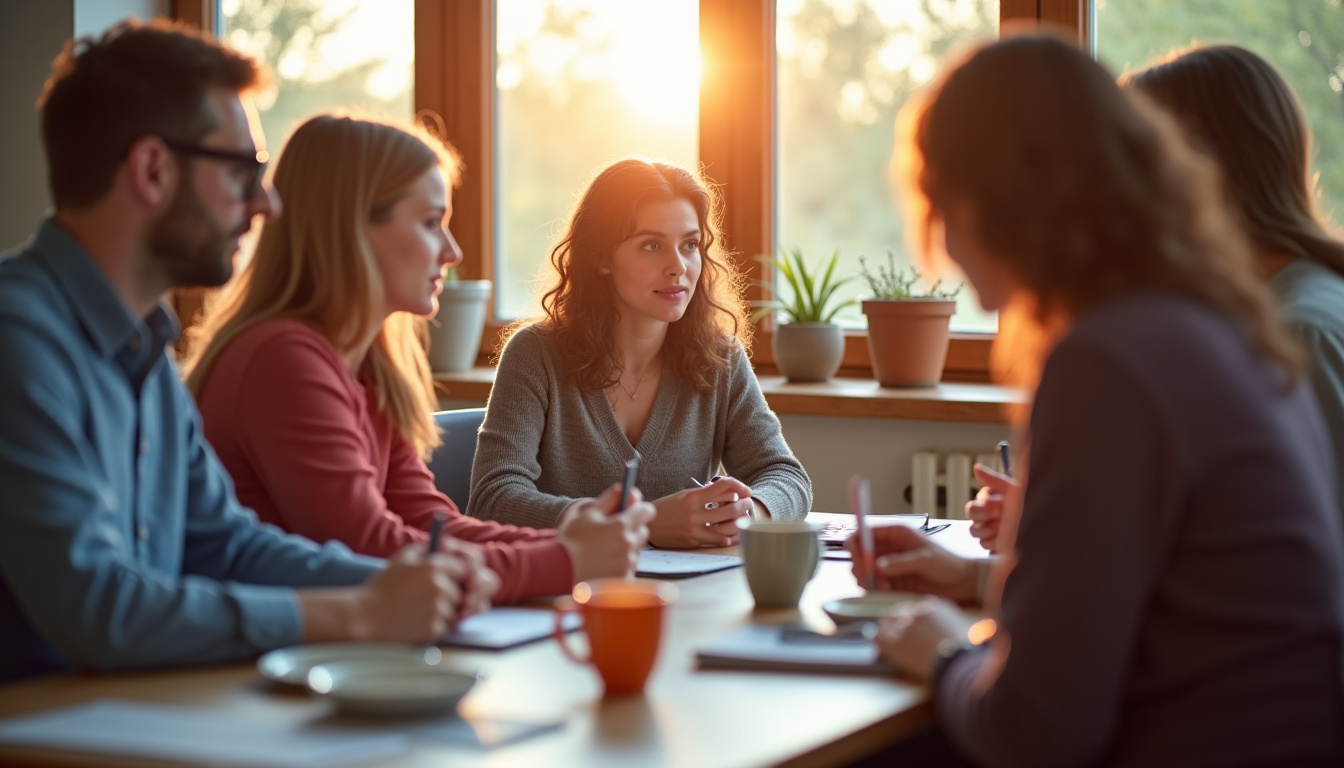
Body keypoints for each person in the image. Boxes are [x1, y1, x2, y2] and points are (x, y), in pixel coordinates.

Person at [850, 29, 1344, 767]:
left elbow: (1036, 730)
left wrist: (946, 653)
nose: (944, 244)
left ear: (991, 199)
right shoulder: (1218, 323)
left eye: (941, 202)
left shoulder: (1108, 358)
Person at [0, 19, 496, 685]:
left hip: (123, 711)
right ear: (152, 170)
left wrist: (404, 582)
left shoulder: (145, 353)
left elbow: (224, 544)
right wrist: (358, 613)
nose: (267, 203)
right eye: (244, 171)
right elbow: (96, 608)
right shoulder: (18, 341)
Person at [183, 115, 653, 604]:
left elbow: (430, 525)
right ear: (352, 229)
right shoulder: (282, 360)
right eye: (431, 223)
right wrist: (566, 560)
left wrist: (567, 543)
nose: (452, 252)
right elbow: (370, 548)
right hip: (275, 646)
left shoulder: (370, 368)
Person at [467, 157, 812, 548]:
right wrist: (642, 523)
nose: (678, 267)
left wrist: (748, 514)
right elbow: (493, 500)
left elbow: (786, 476)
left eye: (690, 245)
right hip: (567, 582)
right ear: (601, 257)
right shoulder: (535, 355)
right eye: (652, 245)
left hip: (689, 584)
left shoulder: (721, 359)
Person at [1125, 45, 1344, 525]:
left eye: (1136, 170)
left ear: (1202, 178)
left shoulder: (1297, 336)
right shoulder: (1266, 313)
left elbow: (1309, 551)